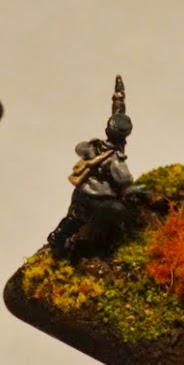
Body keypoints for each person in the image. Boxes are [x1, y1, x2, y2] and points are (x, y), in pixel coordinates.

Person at [48, 78, 137, 256]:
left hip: (81, 191)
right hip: (99, 199)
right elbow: (125, 179)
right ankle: (108, 247)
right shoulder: (115, 159)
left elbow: (117, 114)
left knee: (74, 218)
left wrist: (119, 97)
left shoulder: (94, 146)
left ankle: (58, 237)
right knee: (121, 214)